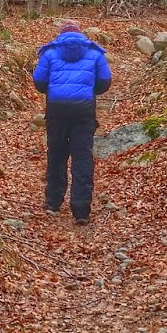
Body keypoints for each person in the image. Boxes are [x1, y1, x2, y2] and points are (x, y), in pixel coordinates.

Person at [32, 27, 112, 224]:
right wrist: (87, 91)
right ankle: (81, 209)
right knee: (82, 158)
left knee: (56, 154)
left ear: (61, 36)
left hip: (57, 111)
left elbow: (39, 82)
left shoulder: (50, 53)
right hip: (84, 112)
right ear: (81, 36)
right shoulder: (95, 53)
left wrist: (55, 91)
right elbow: (105, 81)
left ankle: (53, 202)